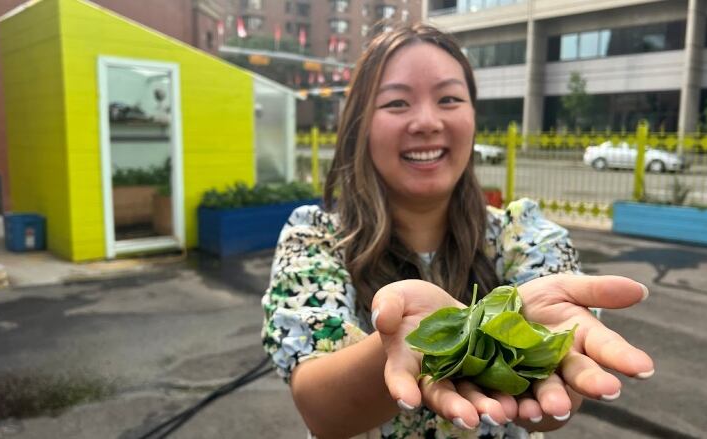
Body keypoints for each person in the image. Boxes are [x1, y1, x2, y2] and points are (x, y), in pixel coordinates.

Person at [262, 23, 654, 439]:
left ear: (472, 116)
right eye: (397, 103)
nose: (427, 122)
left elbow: (556, 408)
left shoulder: (525, 236)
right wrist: (398, 345)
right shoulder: (316, 237)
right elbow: (322, 411)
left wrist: (542, 352)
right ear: (360, 124)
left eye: (449, 98)